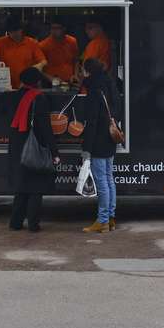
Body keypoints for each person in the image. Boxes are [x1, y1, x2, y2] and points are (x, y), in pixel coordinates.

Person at [8, 67, 60, 232]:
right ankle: (33, 224)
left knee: (21, 188)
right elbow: (45, 128)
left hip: (17, 146)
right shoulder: (39, 98)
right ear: (38, 81)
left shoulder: (13, 96)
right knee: (36, 188)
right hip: (34, 146)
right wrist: (54, 152)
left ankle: (15, 223)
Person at [80, 57, 120, 233]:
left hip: (98, 140)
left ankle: (102, 221)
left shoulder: (94, 90)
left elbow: (92, 122)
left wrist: (86, 148)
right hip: (110, 137)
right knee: (109, 179)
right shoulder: (110, 84)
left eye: (83, 70)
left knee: (101, 181)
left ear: (88, 71)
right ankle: (110, 218)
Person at [0, 15, 47, 89]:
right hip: (6, 87)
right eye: (10, 31)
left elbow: (44, 61)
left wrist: (38, 66)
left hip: (26, 87)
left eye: (16, 30)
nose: (14, 34)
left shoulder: (31, 43)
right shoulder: (1, 42)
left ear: (21, 29)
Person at [39, 17, 79, 85]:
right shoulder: (43, 45)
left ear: (64, 28)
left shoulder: (72, 41)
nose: (54, 31)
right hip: (50, 82)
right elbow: (39, 68)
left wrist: (75, 75)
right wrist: (51, 78)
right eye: (52, 28)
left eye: (57, 28)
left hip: (70, 81)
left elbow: (76, 61)